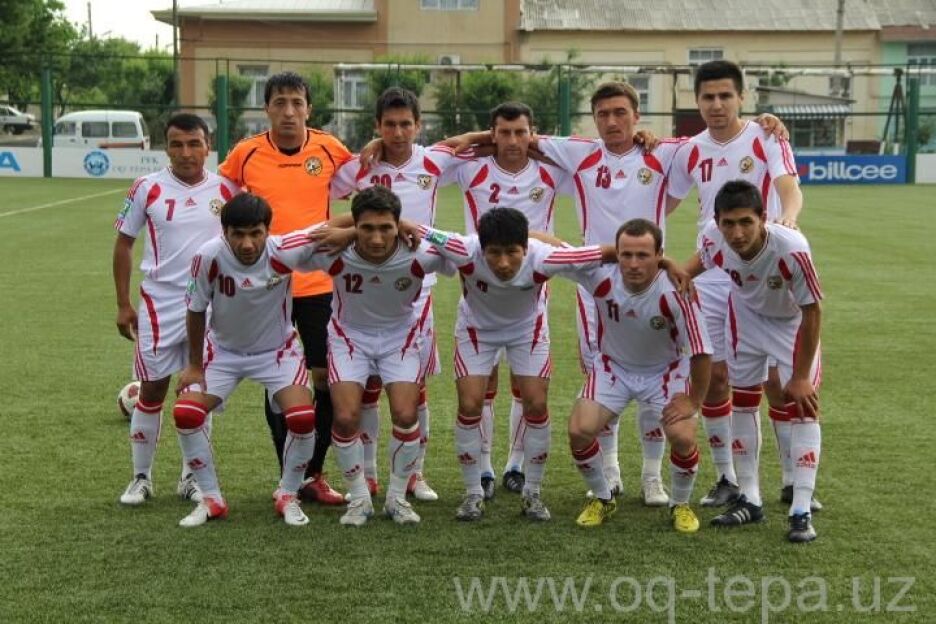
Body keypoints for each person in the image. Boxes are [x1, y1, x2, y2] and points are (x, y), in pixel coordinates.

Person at [667, 60, 819, 512]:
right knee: (716, 376)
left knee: (776, 381)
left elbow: (789, 185)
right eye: (708, 97)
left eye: (725, 96)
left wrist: (788, 216)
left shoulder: (766, 136)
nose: (717, 105)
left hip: (762, 261)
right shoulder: (688, 150)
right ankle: (727, 479)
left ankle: (791, 479)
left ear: (741, 97)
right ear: (697, 101)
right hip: (713, 268)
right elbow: (662, 196)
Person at [419, 207, 611, 522]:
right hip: (476, 331)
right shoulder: (463, 248)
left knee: (535, 404)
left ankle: (532, 493)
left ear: (526, 247)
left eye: (512, 252)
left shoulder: (543, 257)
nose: (504, 262)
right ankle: (473, 493)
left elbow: (602, 253)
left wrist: (665, 263)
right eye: (494, 253)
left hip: (527, 332)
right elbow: (418, 229)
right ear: (481, 247)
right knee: (470, 404)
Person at [329, 87, 471, 502]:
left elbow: (477, 140)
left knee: (413, 388)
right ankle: (370, 473)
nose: (398, 132)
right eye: (389, 125)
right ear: (377, 126)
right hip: (365, 289)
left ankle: (414, 474)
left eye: (405, 124)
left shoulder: (433, 160)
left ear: (418, 126)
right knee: (366, 387)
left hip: (417, 288)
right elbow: (327, 191)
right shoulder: (361, 165)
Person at [218, 71, 351, 506]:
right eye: (280, 103)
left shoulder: (330, 149)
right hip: (265, 286)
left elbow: (365, 188)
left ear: (309, 108)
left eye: (297, 102)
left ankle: (313, 471)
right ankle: (287, 475)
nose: (289, 111)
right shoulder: (245, 153)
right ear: (267, 108)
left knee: (325, 378)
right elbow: (220, 204)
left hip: (317, 283)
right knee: (277, 380)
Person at [301, 185, 454, 526]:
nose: (376, 238)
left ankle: (396, 498)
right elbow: (297, 240)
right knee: (345, 417)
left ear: (398, 226)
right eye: (366, 228)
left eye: (386, 228)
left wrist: (417, 227)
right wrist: (346, 231)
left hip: (400, 338)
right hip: (349, 338)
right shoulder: (334, 251)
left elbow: (467, 250)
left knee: (405, 413)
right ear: (355, 226)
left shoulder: (419, 253)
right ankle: (359, 499)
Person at [683, 180, 823, 543]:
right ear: (717, 221)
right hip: (745, 319)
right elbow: (691, 268)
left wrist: (801, 377)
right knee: (743, 403)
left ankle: (801, 509)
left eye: (746, 221)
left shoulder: (792, 249)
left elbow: (812, 311)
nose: (737, 233)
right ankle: (750, 498)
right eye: (728, 223)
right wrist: (667, 274)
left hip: (791, 324)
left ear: (763, 217)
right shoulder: (714, 239)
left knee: (803, 406)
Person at [113, 112, 240, 506]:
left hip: (210, 304)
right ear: (165, 148)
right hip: (159, 303)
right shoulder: (146, 188)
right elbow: (123, 244)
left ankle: (191, 478)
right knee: (152, 389)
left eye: (194, 144)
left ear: (208, 146)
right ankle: (140, 478)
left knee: (198, 390)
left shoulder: (227, 189)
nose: (186, 153)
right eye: (176, 144)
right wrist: (123, 304)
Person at [173, 193, 320, 527]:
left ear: (268, 230)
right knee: (186, 413)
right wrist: (194, 366)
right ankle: (211, 498)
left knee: (302, 418)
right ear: (224, 232)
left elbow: (333, 228)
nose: (248, 243)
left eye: (256, 233)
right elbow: (195, 309)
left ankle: (288, 494)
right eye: (237, 234)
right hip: (223, 353)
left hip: (277, 352)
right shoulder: (208, 256)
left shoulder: (283, 250)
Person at [446, 102, 569, 500]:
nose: (513, 141)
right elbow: (433, 154)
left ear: (532, 134)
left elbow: (593, 154)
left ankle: (515, 464)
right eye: (504, 132)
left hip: (531, 285)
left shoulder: (551, 169)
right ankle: (483, 468)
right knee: (483, 384)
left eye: (521, 133)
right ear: (492, 133)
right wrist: (475, 139)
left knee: (525, 385)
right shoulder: (471, 168)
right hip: (481, 284)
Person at [566, 219, 711, 532]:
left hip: (665, 372)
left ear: (659, 254)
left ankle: (680, 504)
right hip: (613, 368)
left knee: (683, 437)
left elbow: (701, 351)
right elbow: (555, 249)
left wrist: (693, 401)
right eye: (626, 255)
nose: (633, 264)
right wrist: (521, 234)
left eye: (643, 255)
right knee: (579, 431)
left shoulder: (678, 289)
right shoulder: (599, 276)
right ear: (615, 254)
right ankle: (603, 497)